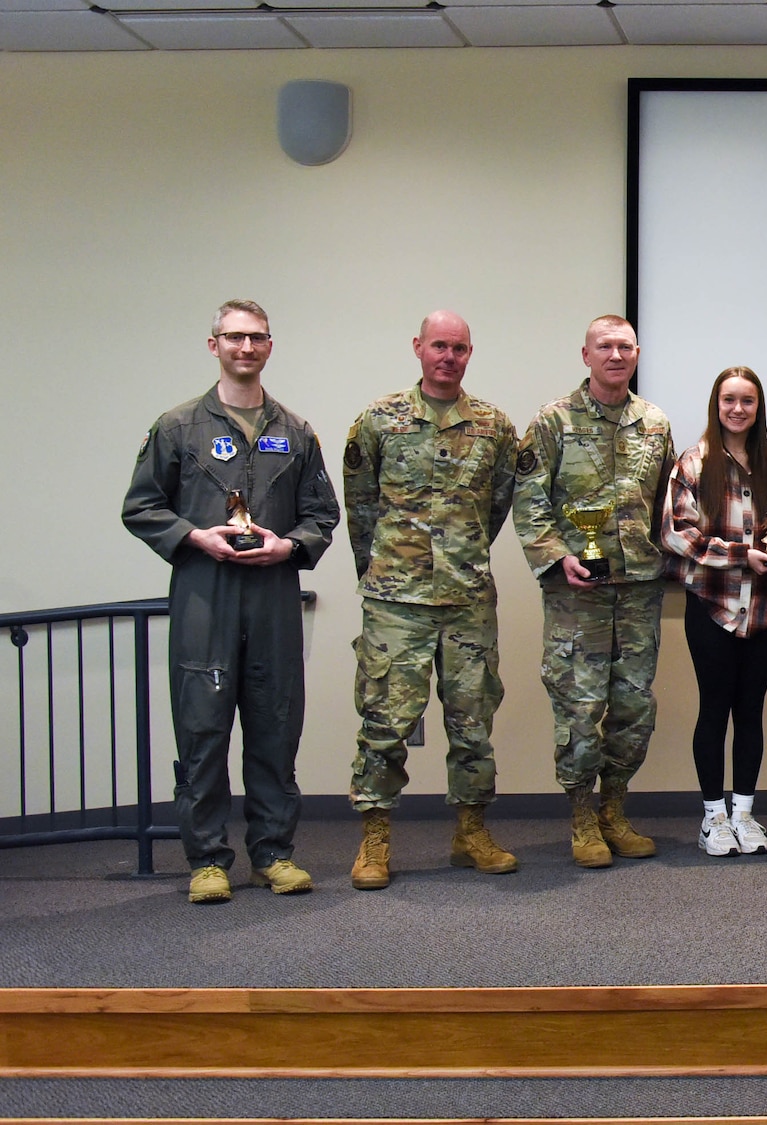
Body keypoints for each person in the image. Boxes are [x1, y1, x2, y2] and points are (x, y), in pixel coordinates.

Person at [122, 299, 340, 904]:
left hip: (272, 597)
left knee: (275, 727)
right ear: (213, 344)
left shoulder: (295, 432)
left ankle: (273, 854)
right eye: (235, 337)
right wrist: (194, 536)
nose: (247, 348)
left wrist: (287, 546)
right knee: (202, 727)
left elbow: (323, 514)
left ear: (270, 347)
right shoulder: (177, 427)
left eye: (258, 338)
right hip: (204, 596)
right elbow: (141, 506)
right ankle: (208, 860)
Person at [342, 310, 520, 889]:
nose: (449, 356)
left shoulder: (495, 426)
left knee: (473, 722)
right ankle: (375, 841)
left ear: (471, 353)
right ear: (418, 347)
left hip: (467, 598)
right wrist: (386, 571)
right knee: (385, 721)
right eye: (439, 345)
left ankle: (471, 833)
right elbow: (361, 505)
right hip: (397, 600)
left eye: (460, 348)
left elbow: (494, 509)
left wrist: (459, 557)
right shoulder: (378, 420)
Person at [515, 314, 674, 868]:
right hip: (576, 593)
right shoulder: (552, 422)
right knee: (580, 708)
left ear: (637, 354)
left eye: (625, 347)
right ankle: (582, 815)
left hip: (637, 591)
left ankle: (615, 809)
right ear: (586, 355)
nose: (615, 355)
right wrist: (558, 556)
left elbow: (668, 504)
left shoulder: (655, 423)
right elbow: (529, 500)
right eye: (604, 346)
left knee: (634, 707)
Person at [663, 367, 767, 857]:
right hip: (712, 607)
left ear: (759, 408)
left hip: (765, 608)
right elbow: (677, 534)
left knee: (752, 712)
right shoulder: (694, 463)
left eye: (747, 401)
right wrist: (742, 556)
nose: (737, 409)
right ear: (715, 405)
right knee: (714, 710)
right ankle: (712, 818)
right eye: (728, 400)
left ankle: (744, 813)